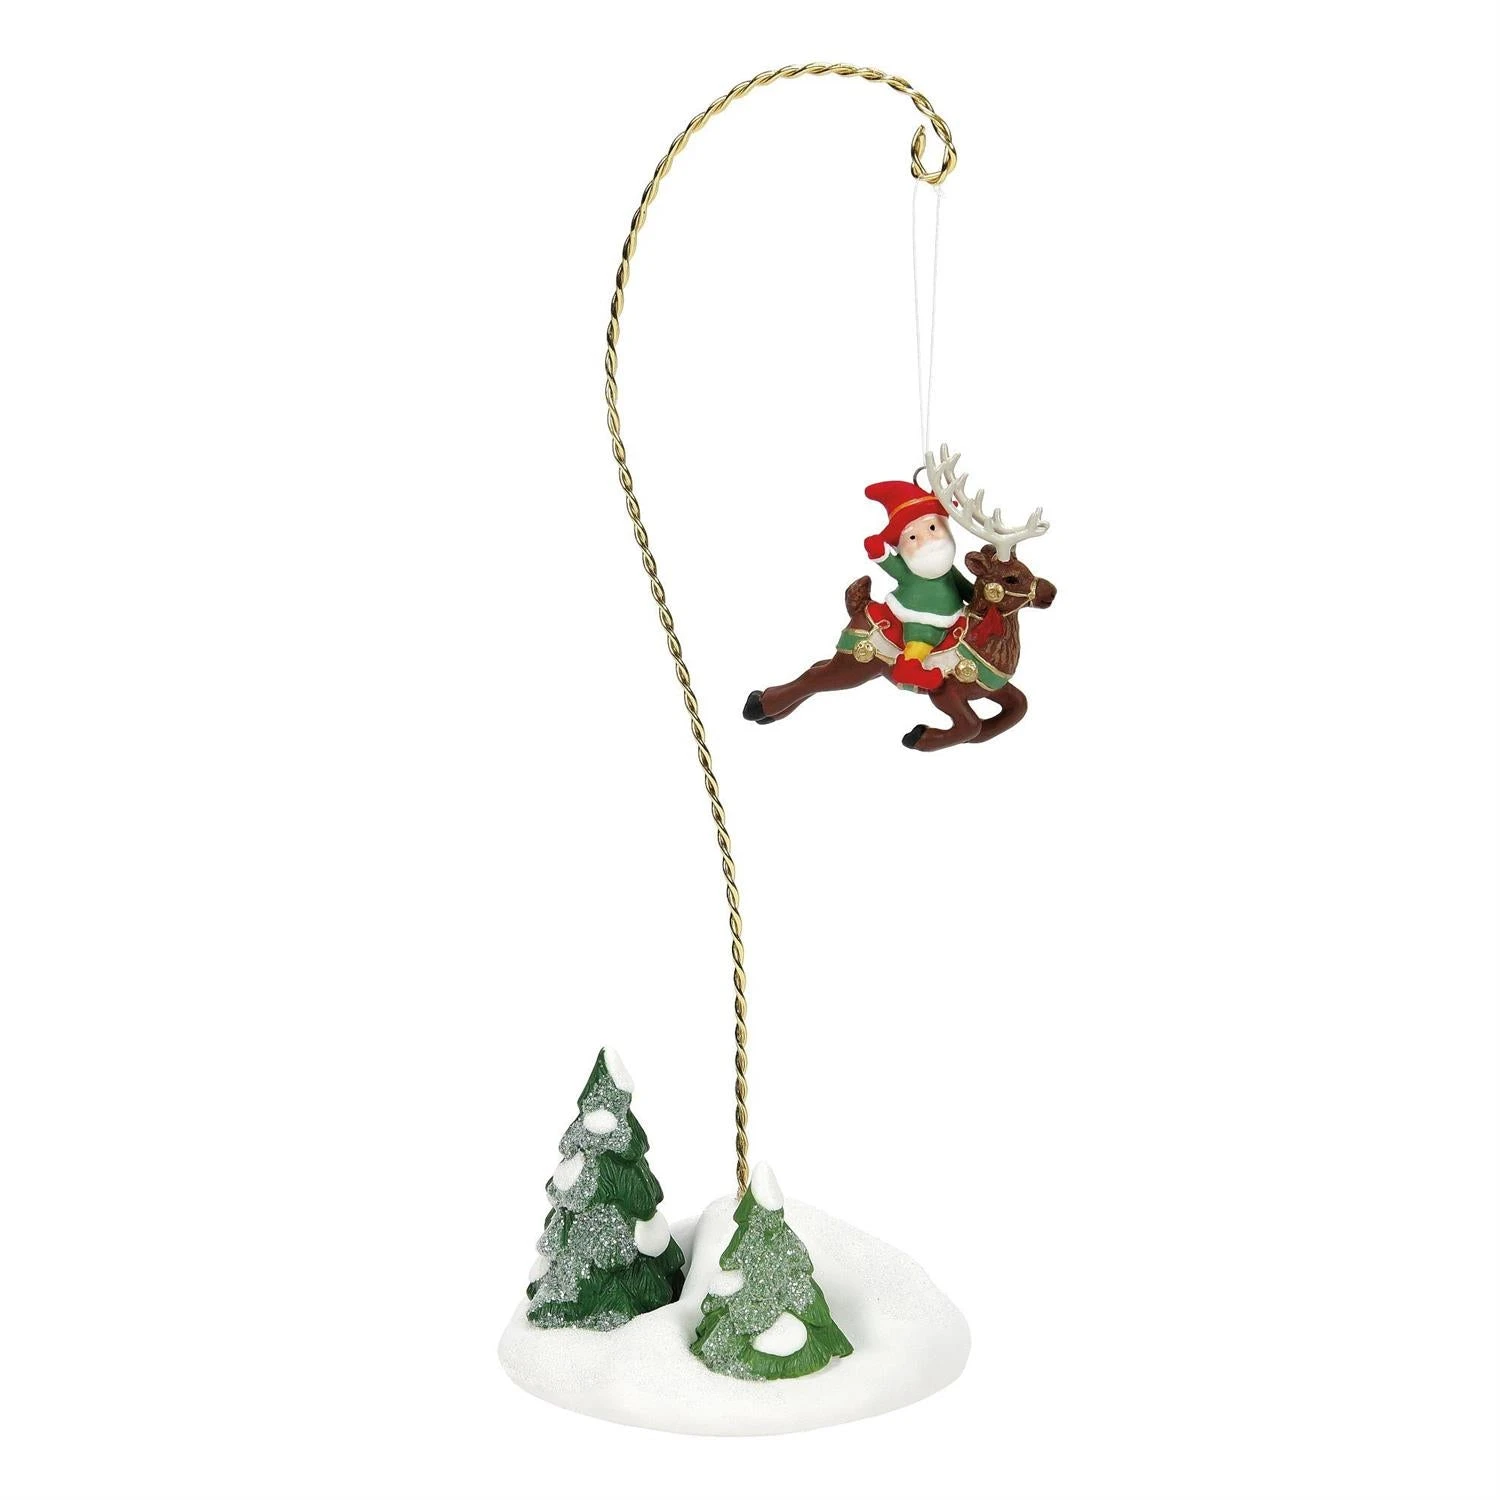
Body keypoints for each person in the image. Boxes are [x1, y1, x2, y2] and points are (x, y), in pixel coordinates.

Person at [863, 480, 974, 690]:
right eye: (913, 537)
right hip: (920, 618)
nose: (927, 541)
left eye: (932, 527)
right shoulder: (909, 571)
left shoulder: (948, 570)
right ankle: (908, 667)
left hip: (956, 617)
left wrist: (980, 598)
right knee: (923, 638)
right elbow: (889, 563)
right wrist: (879, 552)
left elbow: (965, 587)